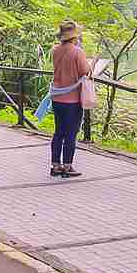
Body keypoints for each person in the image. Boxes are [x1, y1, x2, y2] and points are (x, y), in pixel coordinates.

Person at [46, 19, 99, 179]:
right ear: (75, 37)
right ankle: (67, 166)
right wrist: (93, 63)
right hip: (72, 100)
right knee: (71, 133)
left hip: (57, 97)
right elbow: (85, 71)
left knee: (58, 133)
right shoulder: (77, 52)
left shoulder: (55, 50)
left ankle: (55, 165)